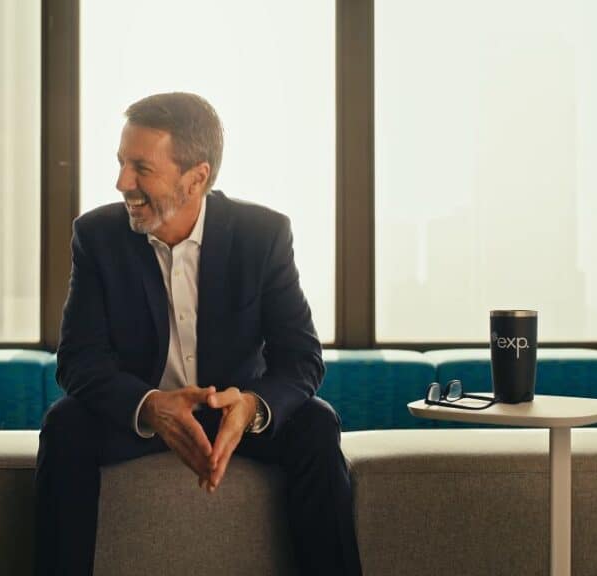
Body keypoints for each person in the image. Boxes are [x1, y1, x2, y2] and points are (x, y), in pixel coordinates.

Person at [35, 92, 362, 575]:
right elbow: (79, 360)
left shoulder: (262, 235)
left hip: (232, 415)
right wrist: (149, 405)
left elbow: (301, 358)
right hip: (142, 412)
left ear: (197, 178)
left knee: (316, 423)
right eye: (122, 163)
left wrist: (251, 407)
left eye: (141, 168)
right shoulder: (97, 236)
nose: (122, 182)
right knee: (64, 426)